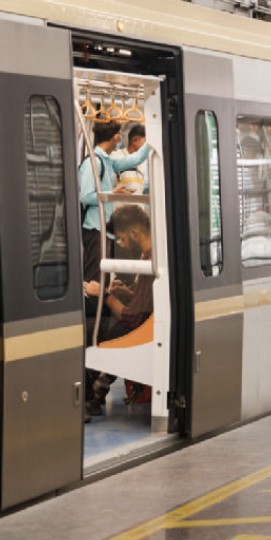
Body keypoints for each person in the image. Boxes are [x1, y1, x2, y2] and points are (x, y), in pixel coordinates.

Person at [82, 204, 154, 418]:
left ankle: (87, 399)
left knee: (85, 329)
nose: (121, 244)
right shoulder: (148, 254)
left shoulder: (150, 260)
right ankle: (96, 389)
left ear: (134, 232)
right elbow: (145, 302)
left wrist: (104, 295)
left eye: (122, 238)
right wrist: (124, 292)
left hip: (140, 331)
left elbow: (131, 318)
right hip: (146, 321)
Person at [110, 123, 148, 195]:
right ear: (135, 140)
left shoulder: (144, 163)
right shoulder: (116, 157)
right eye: (145, 143)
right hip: (120, 205)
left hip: (138, 205)